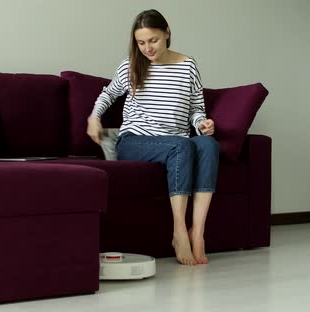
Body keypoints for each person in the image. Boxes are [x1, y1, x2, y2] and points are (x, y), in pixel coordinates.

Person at [86, 9, 219, 266]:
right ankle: (179, 232)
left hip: (176, 140)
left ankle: (198, 233)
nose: (147, 48)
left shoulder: (188, 65)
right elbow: (108, 94)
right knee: (182, 146)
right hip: (135, 141)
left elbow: (196, 108)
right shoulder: (131, 66)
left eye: (153, 40)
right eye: (141, 42)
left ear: (167, 32)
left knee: (208, 145)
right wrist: (94, 117)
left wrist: (202, 123)